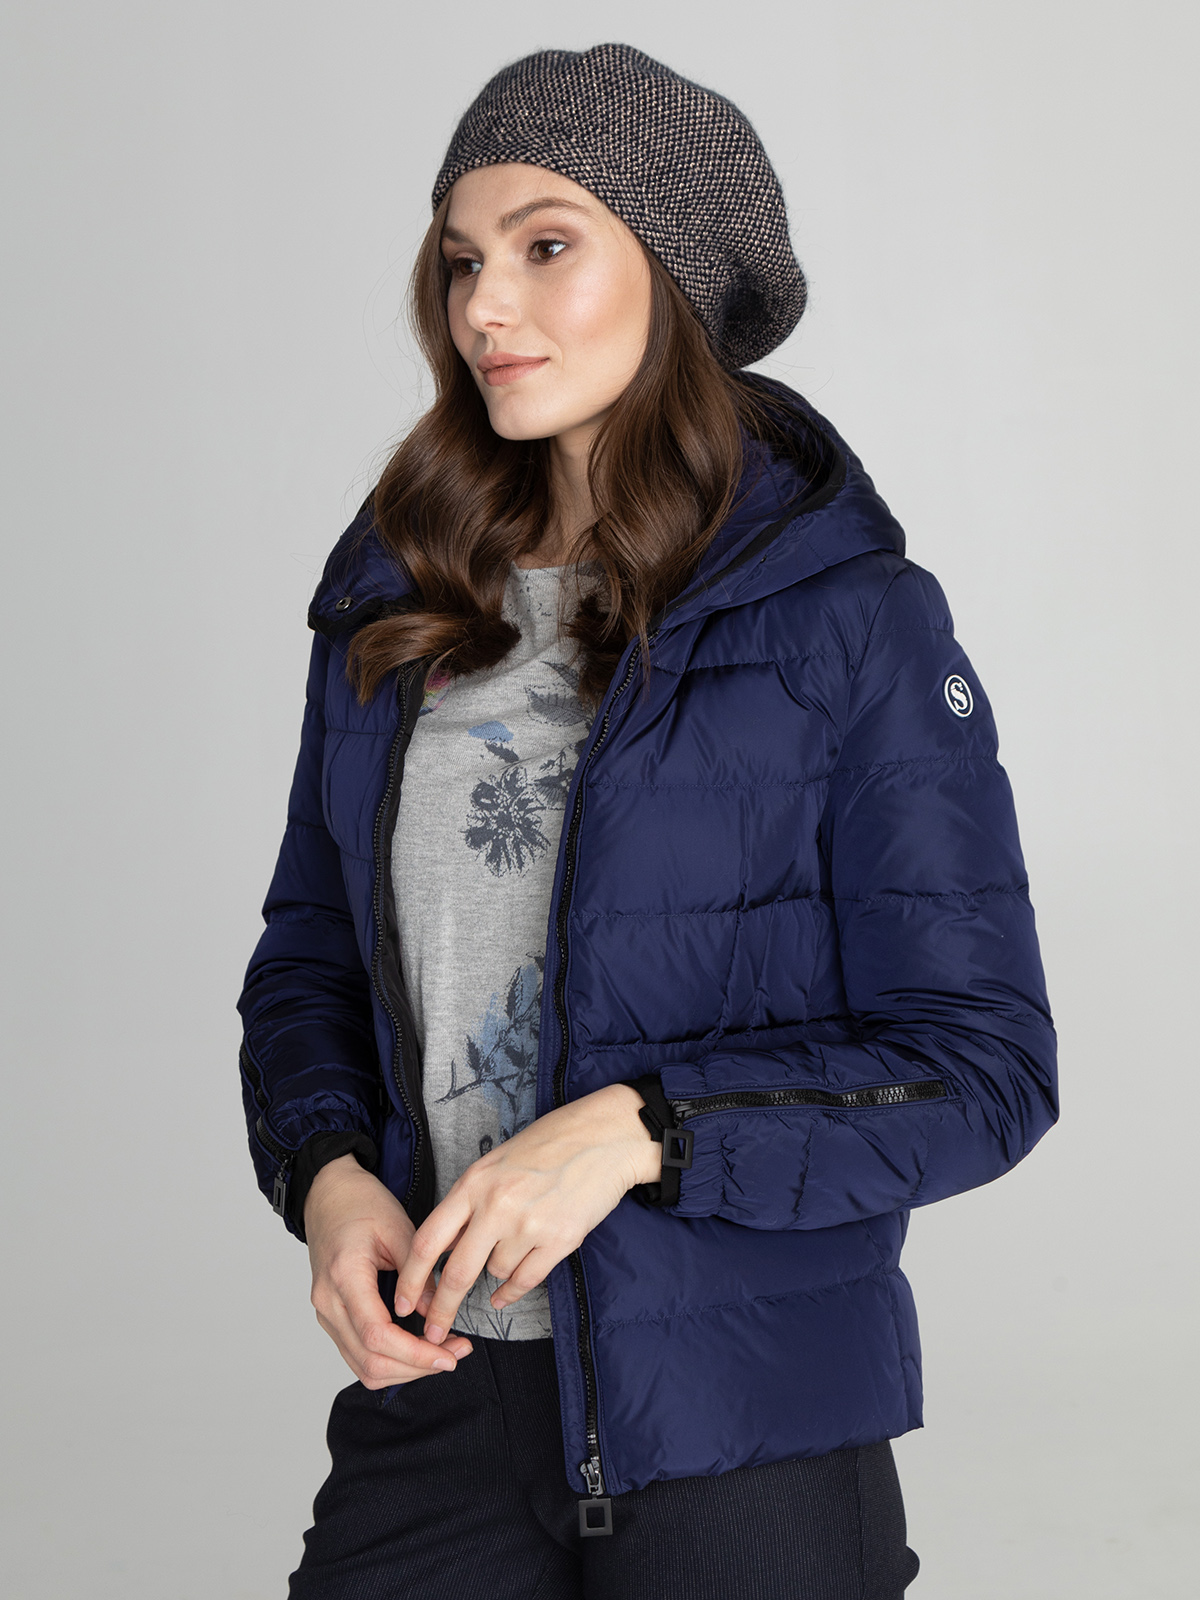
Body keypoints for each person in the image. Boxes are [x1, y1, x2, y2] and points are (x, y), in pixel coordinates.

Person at [237, 43, 1059, 1600]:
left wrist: (640, 1134)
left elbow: (984, 1068)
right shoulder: (396, 605)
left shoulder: (849, 624)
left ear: (677, 276)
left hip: (744, 1424)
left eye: (546, 246)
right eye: (462, 261)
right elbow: (310, 959)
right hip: (440, 1397)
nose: (485, 307)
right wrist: (326, 1174)